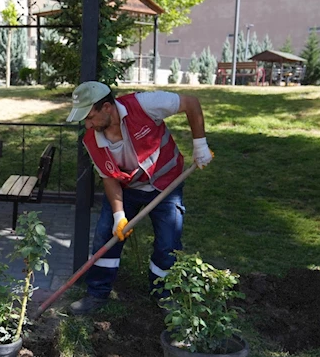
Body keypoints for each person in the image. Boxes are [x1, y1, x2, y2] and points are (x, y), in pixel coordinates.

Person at [65, 81, 213, 315]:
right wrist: (119, 216)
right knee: (105, 237)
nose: (88, 124)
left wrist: (200, 144)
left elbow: (191, 103)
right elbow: (109, 178)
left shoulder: (144, 105)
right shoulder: (92, 140)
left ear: (106, 107)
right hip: (128, 190)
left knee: (168, 243)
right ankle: (97, 293)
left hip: (166, 185)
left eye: (90, 117)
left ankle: (164, 295)